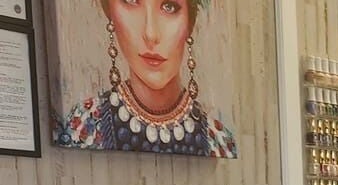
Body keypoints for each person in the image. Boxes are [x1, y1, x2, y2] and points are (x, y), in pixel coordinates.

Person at [56, 0, 237, 156]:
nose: (151, 34)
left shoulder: (217, 141)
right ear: (110, 12)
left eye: (169, 6)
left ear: (189, 21)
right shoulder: (84, 127)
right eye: (132, 0)